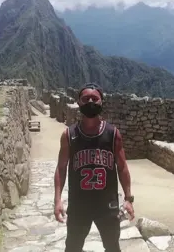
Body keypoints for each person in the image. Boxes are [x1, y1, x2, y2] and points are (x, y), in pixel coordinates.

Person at [53, 83, 135, 252]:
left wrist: (128, 199)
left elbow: (122, 167)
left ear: (101, 102)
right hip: (78, 205)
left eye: (95, 98)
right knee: (73, 247)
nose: (90, 101)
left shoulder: (112, 134)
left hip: (107, 205)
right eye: (85, 98)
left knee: (112, 246)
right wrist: (57, 200)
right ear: (79, 103)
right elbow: (61, 168)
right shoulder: (69, 135)